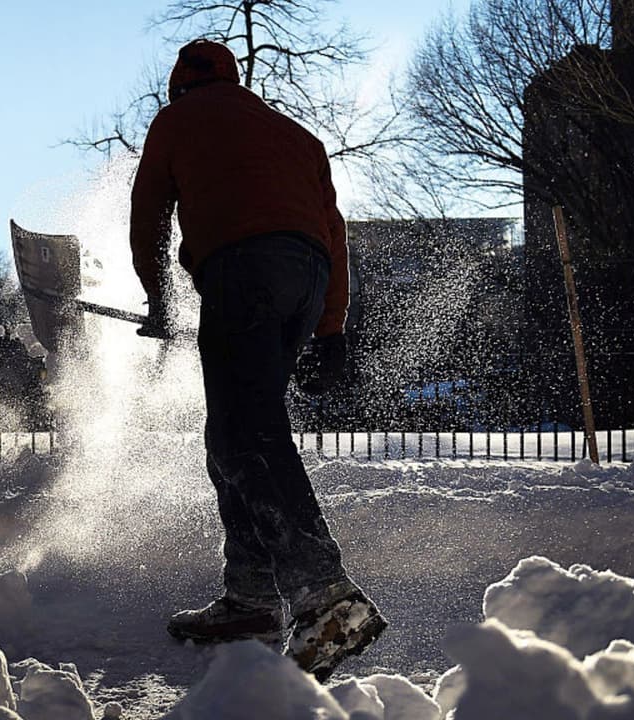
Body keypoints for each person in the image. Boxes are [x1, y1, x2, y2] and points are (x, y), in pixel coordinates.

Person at [128, 38, 385, 680]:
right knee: (234, 434)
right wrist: (330, 331)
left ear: (180, 86)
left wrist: (158, 300)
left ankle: (326, 596)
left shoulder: (176, 119)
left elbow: (150, 218)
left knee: (250, 434)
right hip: (308, 276)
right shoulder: (293, 134)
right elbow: (334, 231)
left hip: (243, 268)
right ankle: (251, 598)